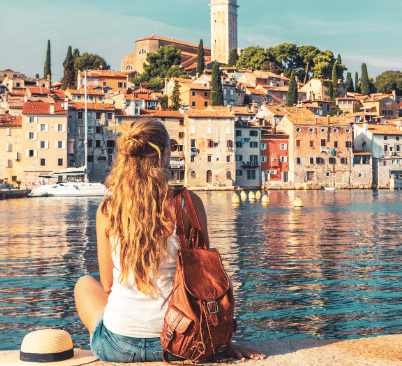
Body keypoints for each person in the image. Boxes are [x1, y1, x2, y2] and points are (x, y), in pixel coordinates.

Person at [74, 119, 265, 363]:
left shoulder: (109, 209)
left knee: (84, 285)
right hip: (181, 342)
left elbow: (108, 284)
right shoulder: (188, 205)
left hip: (117, 345)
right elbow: (205, 286)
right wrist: (224, 342)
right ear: (165, 155)